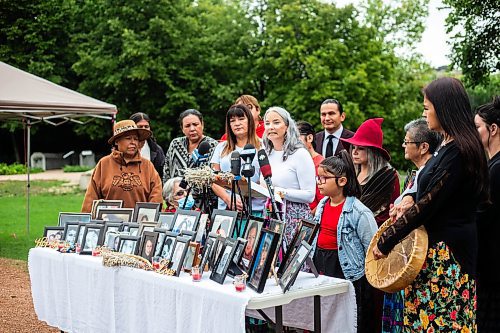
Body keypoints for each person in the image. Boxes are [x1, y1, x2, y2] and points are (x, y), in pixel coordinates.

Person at [373, 77, 489, 332]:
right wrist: (408, 197)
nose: (424, 114)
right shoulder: (446, 145)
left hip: (449, 256)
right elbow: (431, 189)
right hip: (432, 251)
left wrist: (388, 238)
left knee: (443, 323)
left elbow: (430, 203)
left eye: (427, 108)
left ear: (443, 107)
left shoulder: (460, 149)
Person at [382, 118, 442, 333]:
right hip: (405, 253)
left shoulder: (433, 173)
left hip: (421, 253)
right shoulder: (415, 175)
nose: (403, 145)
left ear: (423, 147)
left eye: (407, 142)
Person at [312, 151, 378, 333]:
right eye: (318, 177)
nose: (319, 182)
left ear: (342, 181)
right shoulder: (322, 204)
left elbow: (372, 246)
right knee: (327, 316)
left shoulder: (359, 212)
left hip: (346, 271)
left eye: (324, 178)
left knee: (348, 318)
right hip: (323, 266)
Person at [81, 120, 163, 212]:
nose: (133, 142)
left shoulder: (147, 166)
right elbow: (91, 197)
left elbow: (156, 195)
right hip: (109, 224)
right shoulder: (104, 164)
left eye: (135, 139)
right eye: (128, 138)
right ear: (116, 141)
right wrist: (86, 220)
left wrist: (149, 218)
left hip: (140, 223)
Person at [263, 106, 316, 245]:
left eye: (276, 122)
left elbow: (310, 195)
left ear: (287, 126)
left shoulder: (300, 154)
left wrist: (281, 192)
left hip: (294, 217)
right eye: (267, 123)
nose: (271, 127)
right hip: (271, 215)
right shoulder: (266, 154)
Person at [342, 118, 400, 226]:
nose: (354, 152)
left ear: (373, 151)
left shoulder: (388, 176)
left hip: (374, 232)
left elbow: (389, 213)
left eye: (361, 148)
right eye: (353, 147)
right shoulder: (351, 173)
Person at [211, 104, 263, 221]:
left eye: (241, 119)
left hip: (255, 209)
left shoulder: (263, 146)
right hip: (226, 210)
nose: (237, 123)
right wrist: (228, 199)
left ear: (249, 121)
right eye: (232, 120)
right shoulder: (221, 147)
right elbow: (213, 179)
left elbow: (266, 179)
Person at [474, 96, 500, 332]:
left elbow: (481, 217)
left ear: (493, 129)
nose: (474, 133)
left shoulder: (496, 169)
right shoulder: (492, 165)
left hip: (493, 269)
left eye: (477, 127)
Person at [163, 109, 218, 183]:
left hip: (203, 193)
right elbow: (166, 172)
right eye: (187, 126)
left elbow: (216, 176)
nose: (192, 129)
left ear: (202, 125)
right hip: (175, 193)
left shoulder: (213, 145)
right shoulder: (175, 144)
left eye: (195, 124)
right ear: (182, 129)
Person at [297, 120, 324, 214]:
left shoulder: (322, 164)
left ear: (309, 138)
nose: (292, 143)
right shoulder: (295, 162)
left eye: (296, 138)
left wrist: (307, 219)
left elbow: (324, 201)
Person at [129, 112, 166, 182]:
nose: (144, 129)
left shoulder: (156, 149)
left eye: (146, 126)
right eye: (140, 127)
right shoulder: (124, 148)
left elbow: (162, 174)